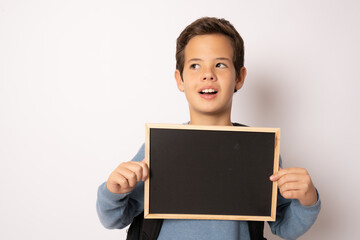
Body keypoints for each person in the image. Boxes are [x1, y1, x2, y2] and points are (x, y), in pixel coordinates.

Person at [96, 17, 321, 239]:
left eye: (220, 64)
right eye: (195, 65)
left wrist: (308, 200)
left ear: (239, 78)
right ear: (180, 80)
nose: (208, 74)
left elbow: (285, 226)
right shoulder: (159, 147)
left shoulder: (259, 150)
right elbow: (115, 218)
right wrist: (114, 190)